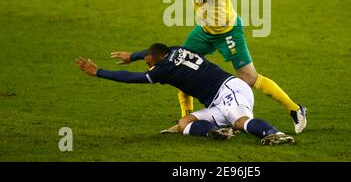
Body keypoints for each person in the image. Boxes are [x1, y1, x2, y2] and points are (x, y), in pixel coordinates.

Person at [117, 0, 307, 134]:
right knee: (178, 66)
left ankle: (296, 109)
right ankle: (184, 119)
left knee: (250, 79)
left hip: (228, 32)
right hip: (203, 32)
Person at [76, 43, 295, 146]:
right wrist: (133, 55)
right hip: (216, 101)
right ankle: (218, 132)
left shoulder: (163, 70)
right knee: (185, 123)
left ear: (155, 61)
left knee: (240, 121)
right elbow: (152, 51)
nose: (148, 66)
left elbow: (132, 78)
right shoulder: (175, 49)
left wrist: (98, 72)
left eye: (149, 63)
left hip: (230, 89)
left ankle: (274, 133)